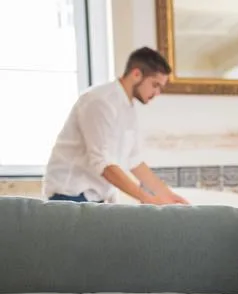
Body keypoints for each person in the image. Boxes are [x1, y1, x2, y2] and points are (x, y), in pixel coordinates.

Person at [43, 47, 188, 205]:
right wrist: (149, 199)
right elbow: (102, 163)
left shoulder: (128, 108)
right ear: (136, 74)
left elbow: (134, 160)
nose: (158, 93)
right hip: (69, 195)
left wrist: (167, 195)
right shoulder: (99, 101)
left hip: (94, 198)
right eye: (155, 85)